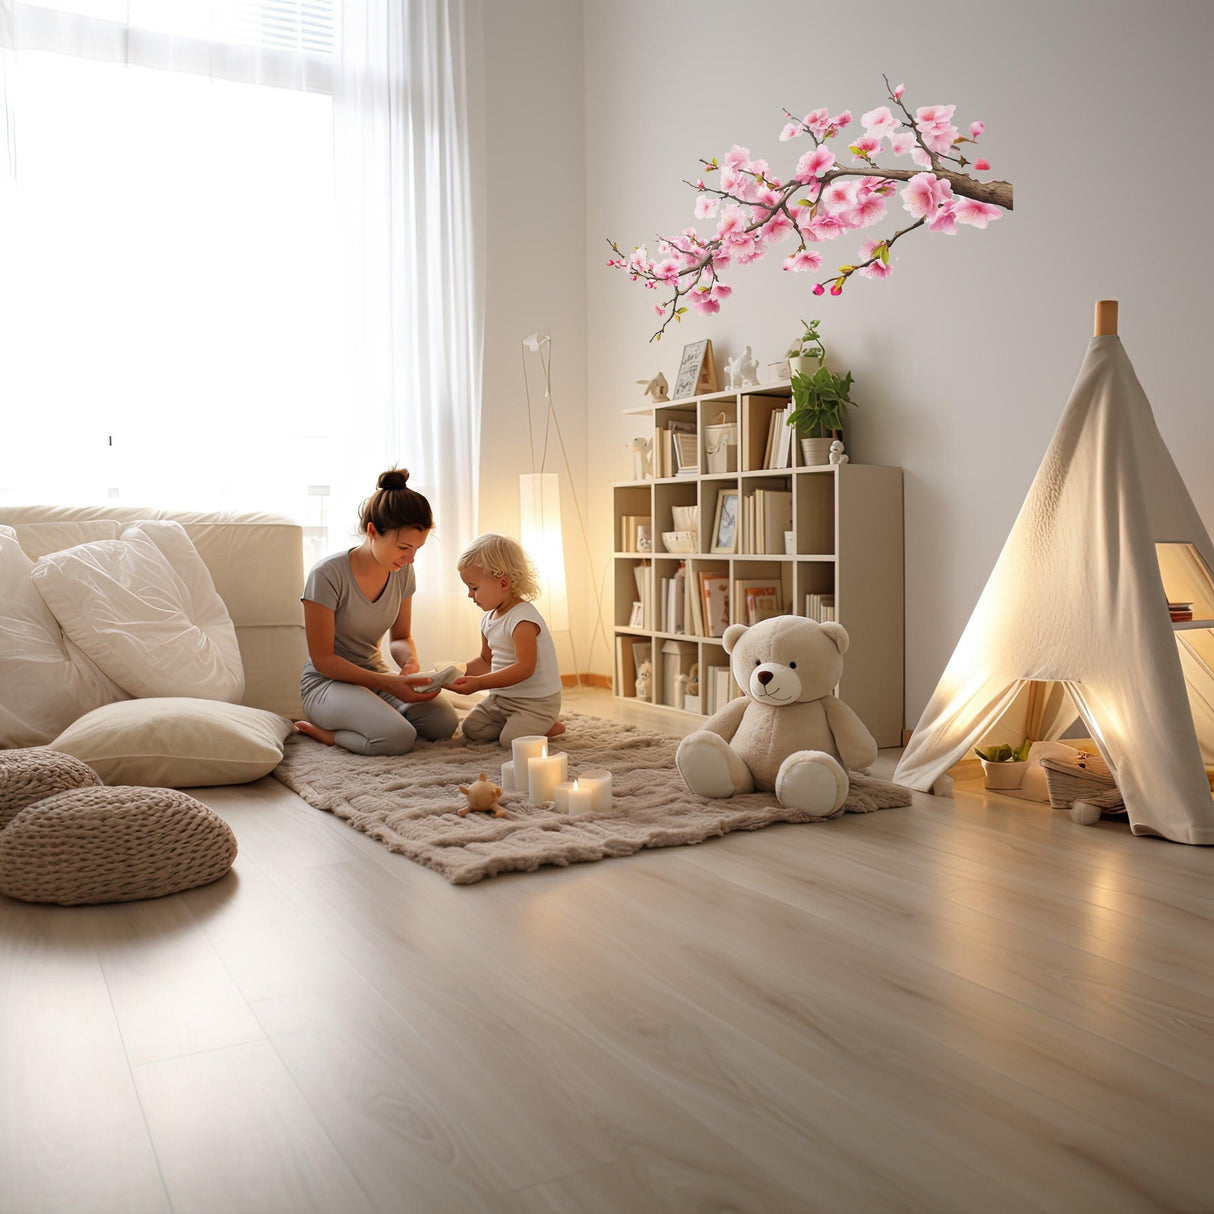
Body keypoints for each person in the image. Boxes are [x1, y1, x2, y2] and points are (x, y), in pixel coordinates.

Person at [295, 469, 459, 755]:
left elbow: (401, 637)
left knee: (443, 722)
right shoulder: (326, 575)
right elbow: (323, 660)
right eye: (404, 547)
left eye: (417, 549)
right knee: (397, 737)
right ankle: (330, 736)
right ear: (372, 531)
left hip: (375, 676)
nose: (410, 558)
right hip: (327, 683)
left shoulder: (402, 572)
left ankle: (375, 715)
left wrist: (409, 662)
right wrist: (390, 684)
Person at [451, 533, 564, 747]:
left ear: (503, 583)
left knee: (510, 742)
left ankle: (544, 722)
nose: (469, 595)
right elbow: (486, 661)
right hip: (501, 700)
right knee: (472, 729)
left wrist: (480, 684)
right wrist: (455, 673)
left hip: (534, 703)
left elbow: (524, 668)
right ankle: (528, 726)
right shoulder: (488, 619)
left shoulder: (523, 620)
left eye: (474, 588)